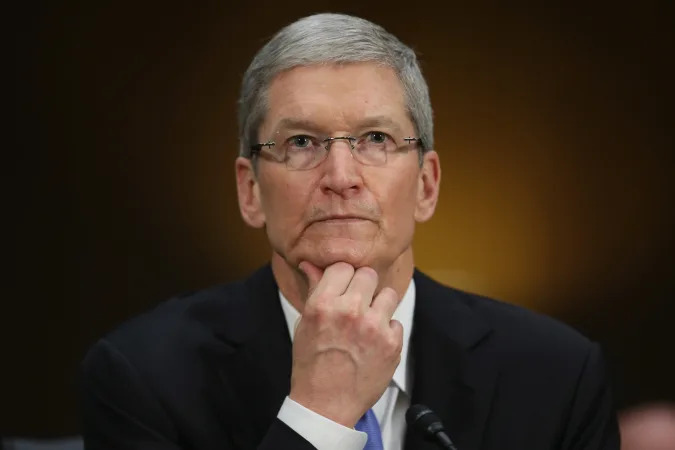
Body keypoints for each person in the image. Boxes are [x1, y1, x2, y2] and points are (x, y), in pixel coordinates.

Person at [79, 13, 620, 450]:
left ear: (427, 185)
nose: (340, 177)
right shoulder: (143, 376)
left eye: (377, 138)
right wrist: (318, 414)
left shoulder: (556, 376)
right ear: (250, 192)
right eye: (300, 143)